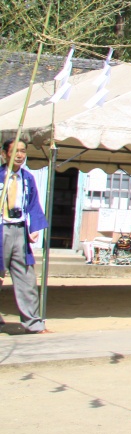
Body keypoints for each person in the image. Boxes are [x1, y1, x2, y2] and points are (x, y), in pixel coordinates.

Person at [0, 139, 48, 334]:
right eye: (15, 151)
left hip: (19, 230)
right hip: (1, 229)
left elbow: (34, 204)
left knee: (27, 278)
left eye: (23, 151)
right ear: (4, 154)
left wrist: (35, 227)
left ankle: (33, 323)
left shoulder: (27, 178)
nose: (20, 155)